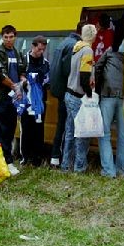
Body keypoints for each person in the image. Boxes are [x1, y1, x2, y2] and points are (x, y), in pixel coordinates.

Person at [0, 24, 26, 176]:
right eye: (6, 37)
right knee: (2, 131)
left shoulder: (18, 53)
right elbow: (0, 74)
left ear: (15, 37)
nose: (8, 40)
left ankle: (7, 160)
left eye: (11, 37)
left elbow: (22, 70)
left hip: (15, 99)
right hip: (2, 97)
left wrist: (22, 82)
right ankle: (6, 162)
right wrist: (14, 86)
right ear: (2, 37)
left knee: (11, 129)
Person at [61, 24, 97, 173]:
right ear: (93, 35)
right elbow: (84, 76)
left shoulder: (77, 48)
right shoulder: (87, 50)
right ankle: (79, 167)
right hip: (78, 97)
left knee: (70, 132)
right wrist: (89, 95)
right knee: (82, 134)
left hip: (69, 94)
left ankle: (66, 165)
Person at [48, 21, 83, 167]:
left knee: (61, 124)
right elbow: (69, 71)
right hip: (67, 91)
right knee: (65, 126)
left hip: (59, 90)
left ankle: (56, 157)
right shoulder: (74, 46)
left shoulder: (64, 42)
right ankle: (59, 157)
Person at [94, 40, 124, 177]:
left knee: (104, 134)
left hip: (108, 95)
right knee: (123, 135)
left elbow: (97, 68)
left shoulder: (109, 54)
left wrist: (97, 88)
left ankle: (109, 171)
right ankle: (123, 170)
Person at [19, 35, 50, 166]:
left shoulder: (45, 63)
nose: (41, 52)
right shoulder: (23, 60)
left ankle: (37, 158)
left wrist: (42, 82)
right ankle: (25, 157)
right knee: (26, 128)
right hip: (26, 100)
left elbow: (48, 78)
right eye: (39, 49)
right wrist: (25, 81)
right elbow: (19, 75)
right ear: (33, 46)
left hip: (40, 101)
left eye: (43, 50)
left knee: (39, 128)